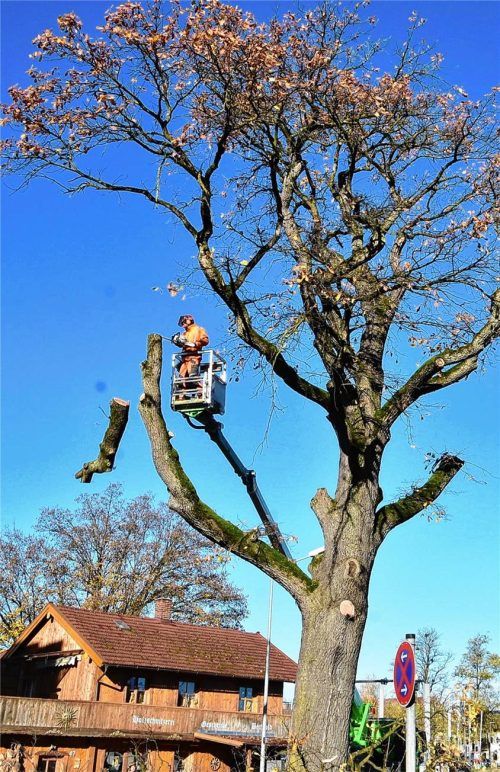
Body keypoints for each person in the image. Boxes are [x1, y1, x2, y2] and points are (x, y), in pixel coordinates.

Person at [172, 314, 209, 397]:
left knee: (193, 377)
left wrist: (195, 344)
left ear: (189, 320)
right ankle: (181, 397)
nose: (183, 325)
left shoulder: (199, 329)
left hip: (194, 357)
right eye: (182, 323)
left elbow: (205, 340)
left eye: (184, 322)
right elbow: (182, 344)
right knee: (181, 379)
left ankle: (201, 393)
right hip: (185, 358)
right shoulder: (184, 333)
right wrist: (177, 342)